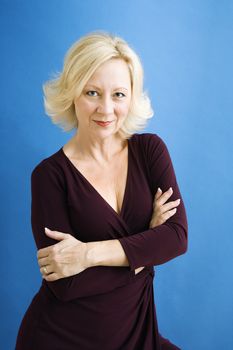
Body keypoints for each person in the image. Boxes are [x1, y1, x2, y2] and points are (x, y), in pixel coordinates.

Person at [15, 31, 188, 350]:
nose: (106, 110)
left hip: (137, 334)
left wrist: (87, 254)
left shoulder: (150, 151)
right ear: (72, 93)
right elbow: (66, 285)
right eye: (92, 92)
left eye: (118, 94)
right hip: (60, 338)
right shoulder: (49, 176)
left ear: (132, 96)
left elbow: (177, 237)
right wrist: (146, 246)